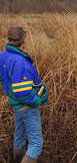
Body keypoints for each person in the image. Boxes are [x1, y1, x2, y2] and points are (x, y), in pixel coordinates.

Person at [0, 27, 48, 163]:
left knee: (19, 137)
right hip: (27, 106)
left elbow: (2, 78)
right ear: (23, 40)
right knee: (36, 144)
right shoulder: (20, 61)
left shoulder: (2, 56)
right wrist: (36, 100)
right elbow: (22, 92)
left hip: (16, 105)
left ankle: (17, 159)